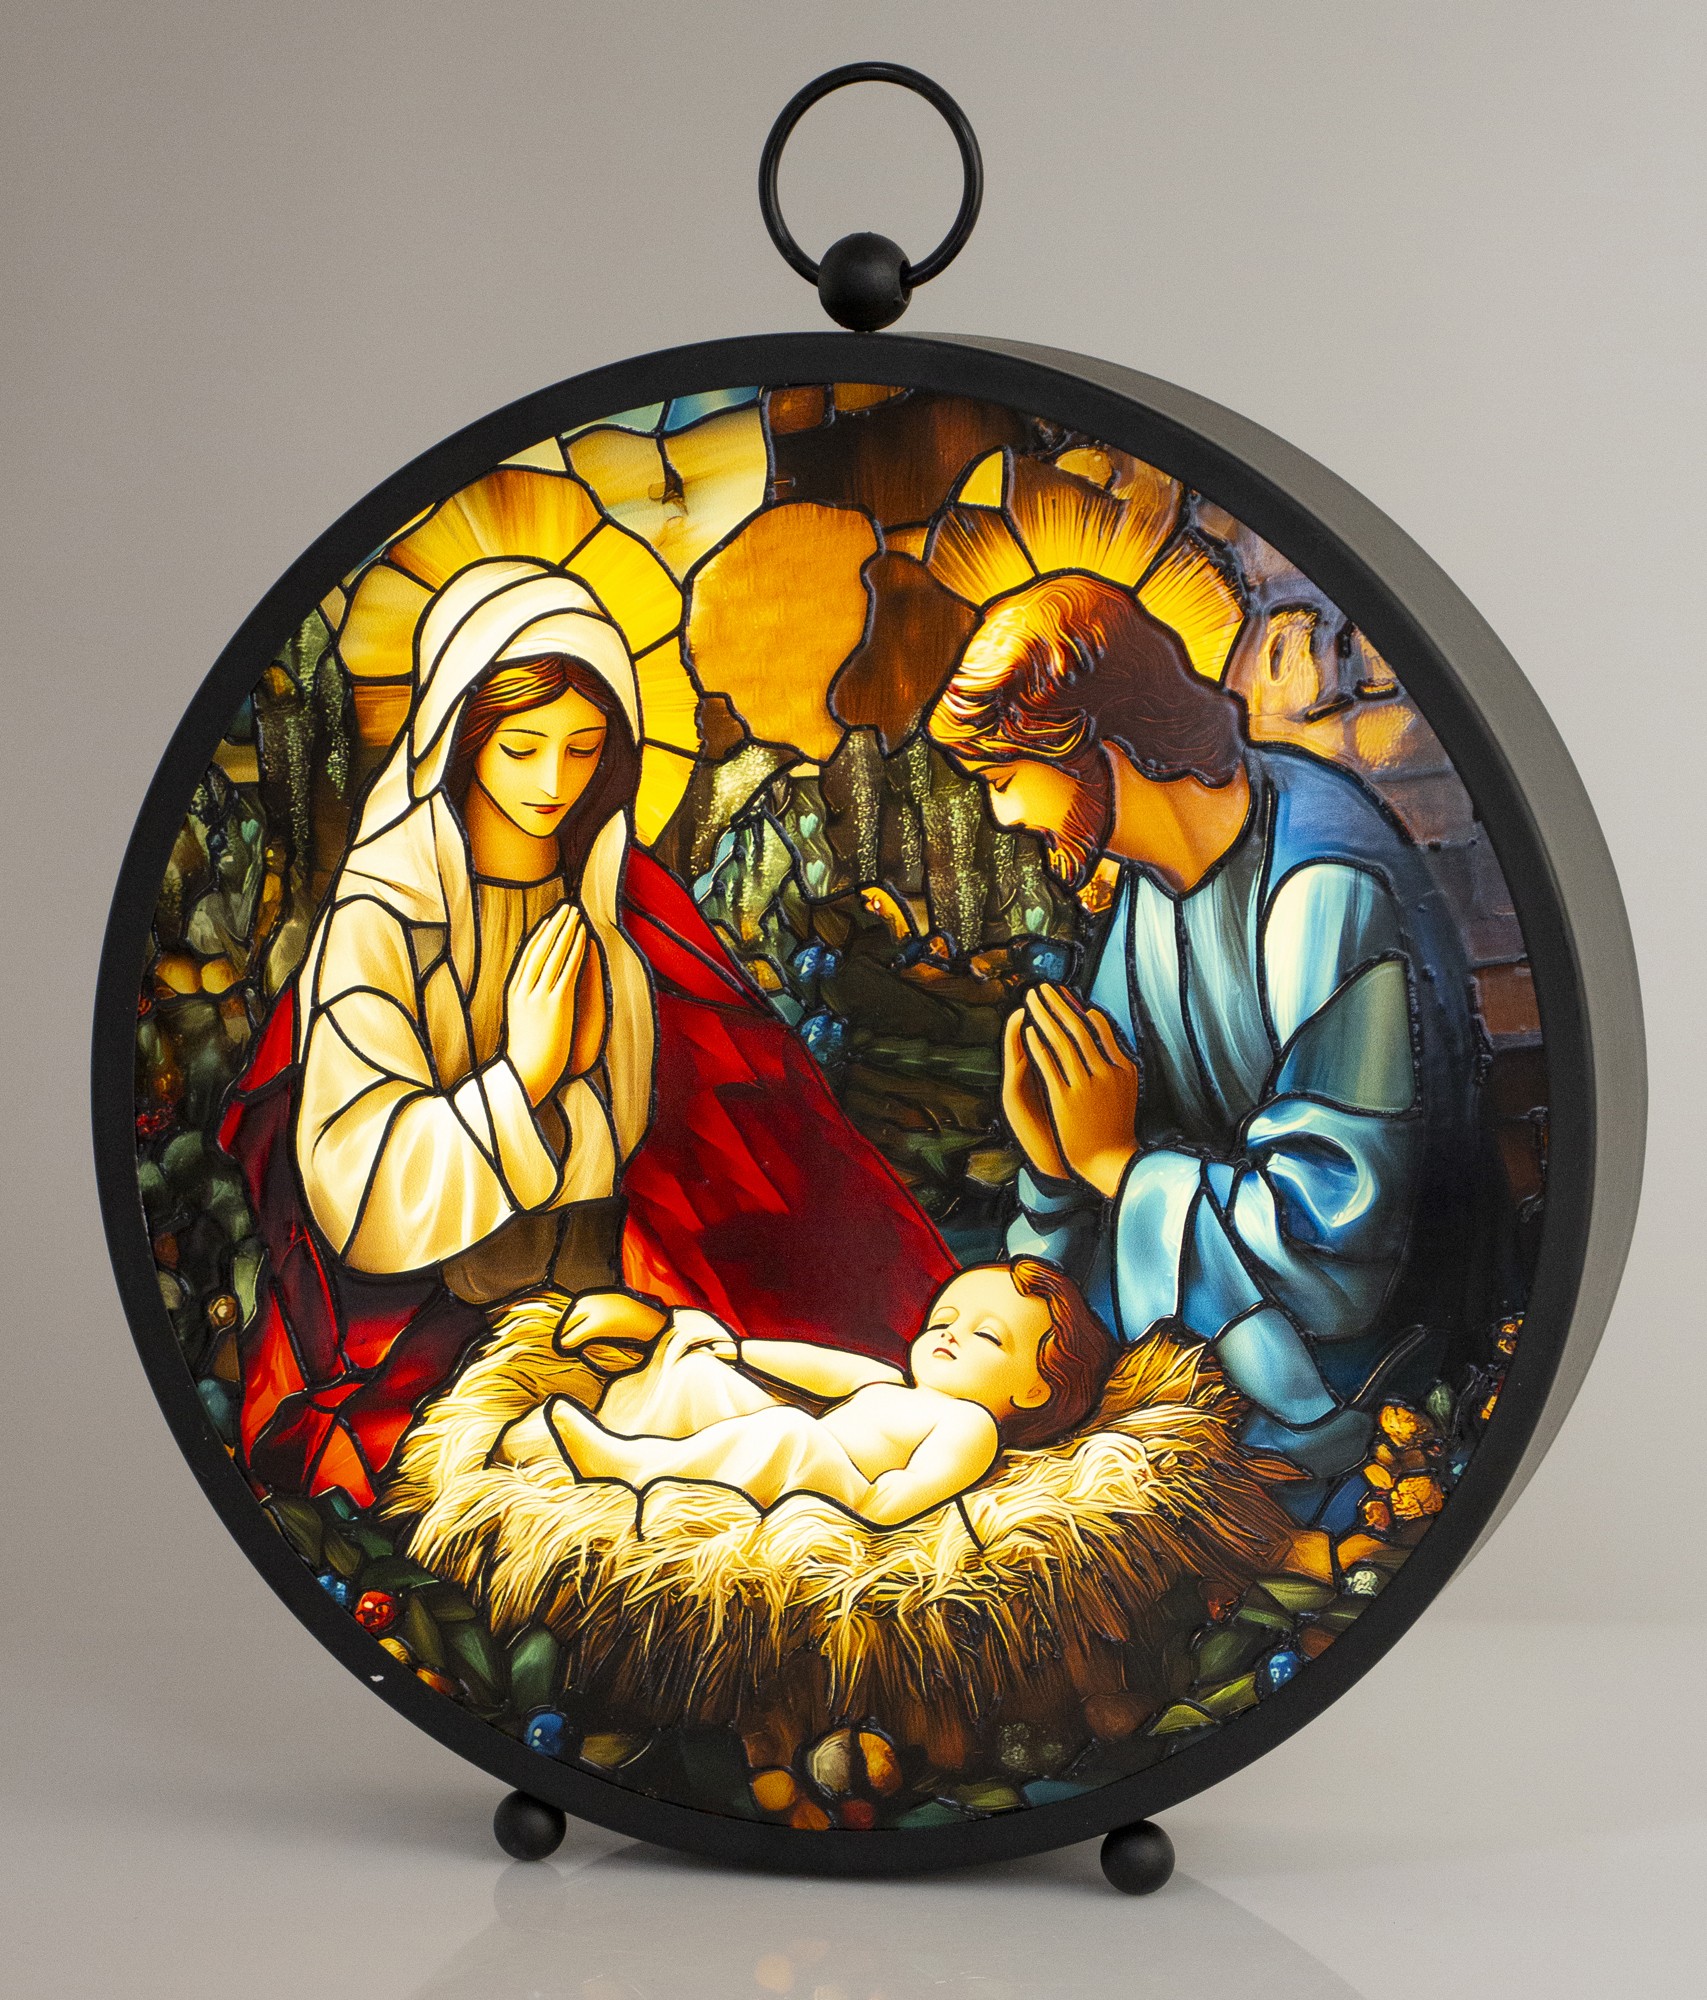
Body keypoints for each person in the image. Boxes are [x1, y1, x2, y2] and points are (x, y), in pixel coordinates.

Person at [220, 559, 955, 1505]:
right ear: (456, 740)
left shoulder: (614, 916)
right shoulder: (382, 922)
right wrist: (522, 1076)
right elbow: (357, 1189)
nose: (553, 781)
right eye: (522, 747)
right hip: (424, 1334)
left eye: (582, 748)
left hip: (596, 1305)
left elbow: (657, 1143)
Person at [928, 572, 1478, 1512]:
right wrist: (1054, 1163)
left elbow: (1340, 1250)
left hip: (1367, 1379)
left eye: (1005, 780)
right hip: (1213, 1344)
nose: (1005, 817)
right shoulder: (1150, 887)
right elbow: (1117, 1149)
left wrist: (1111, 1163)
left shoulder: (1319, 890)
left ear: (1093, 744)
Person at [506, 1261, 1116, 1527]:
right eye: (943, 1319)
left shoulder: (968, 1424)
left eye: (987, 1335)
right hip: (802, 1454)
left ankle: (627, 1465)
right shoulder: (889, 1383)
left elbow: (922, 1484)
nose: (949, 1334)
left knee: (787, 1431)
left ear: (1035, 1389)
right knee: (705, 1376)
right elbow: (821, 1369)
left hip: (840, 1490)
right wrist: (739, 1353)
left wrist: (873, 1518)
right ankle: (613, 1427)